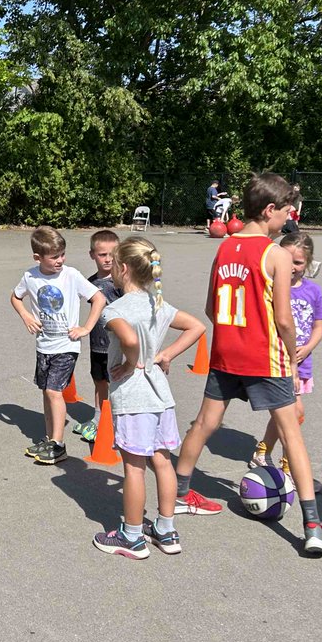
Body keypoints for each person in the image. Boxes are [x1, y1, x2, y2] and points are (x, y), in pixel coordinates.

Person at [171, 172, 322, 555]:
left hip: (226, 354)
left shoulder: (224, 248)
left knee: (204, 423)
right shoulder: (276, 254)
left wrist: (234, 332)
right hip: (265, 357)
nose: (289, 218)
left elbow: (212, 307)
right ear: (269, 210)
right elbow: (284, 320)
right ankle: (313, 526)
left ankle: (179, 493)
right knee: (291, 435)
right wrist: (292, 358)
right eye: (286, 212)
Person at [91, 237, 205, 558]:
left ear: (124, 268)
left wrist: (130, 362)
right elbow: (197, 327)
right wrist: (165, 354)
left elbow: (129, 339)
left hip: (134, 399)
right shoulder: (158, 304)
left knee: (134, 468)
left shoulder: (115, 309)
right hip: (161, 398)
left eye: (114, 264)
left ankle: (131, 536)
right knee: (162, 460)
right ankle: (166, 531)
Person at [11, 226, 107, 465]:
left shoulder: (71, 275)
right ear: (38, 257)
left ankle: (58, 445)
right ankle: (49, 439)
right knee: (46, 391)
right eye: (54, 257)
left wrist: (86, 327)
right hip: (44, 344)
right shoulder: (30, 277)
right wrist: (25, 316)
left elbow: (99, 298)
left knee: (54, 392)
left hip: (67, 345)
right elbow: (15, 297)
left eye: (62, 254)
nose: (60, 260)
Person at [250, 231, 322, 492]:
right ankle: (288, 467)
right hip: (278, 361)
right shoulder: (270, 288)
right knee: (295, 413)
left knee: (286, 414)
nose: (292, 267)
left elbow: (318, 327)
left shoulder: (313, 291)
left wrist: (308, 347)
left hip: (302, 365)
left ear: (308, 262)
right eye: (288, 260)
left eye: (298, 262)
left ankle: (262, 451)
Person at [75, 229, 120, 443]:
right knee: (99, 380)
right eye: (102, 254)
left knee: (117, 384)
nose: (108, 259)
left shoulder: (122, 282)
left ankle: (115, 425)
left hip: (117, 345)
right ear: (92, 255)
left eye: (113, 254)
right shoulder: (90, 282)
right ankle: (98, 419)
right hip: (97, 343)